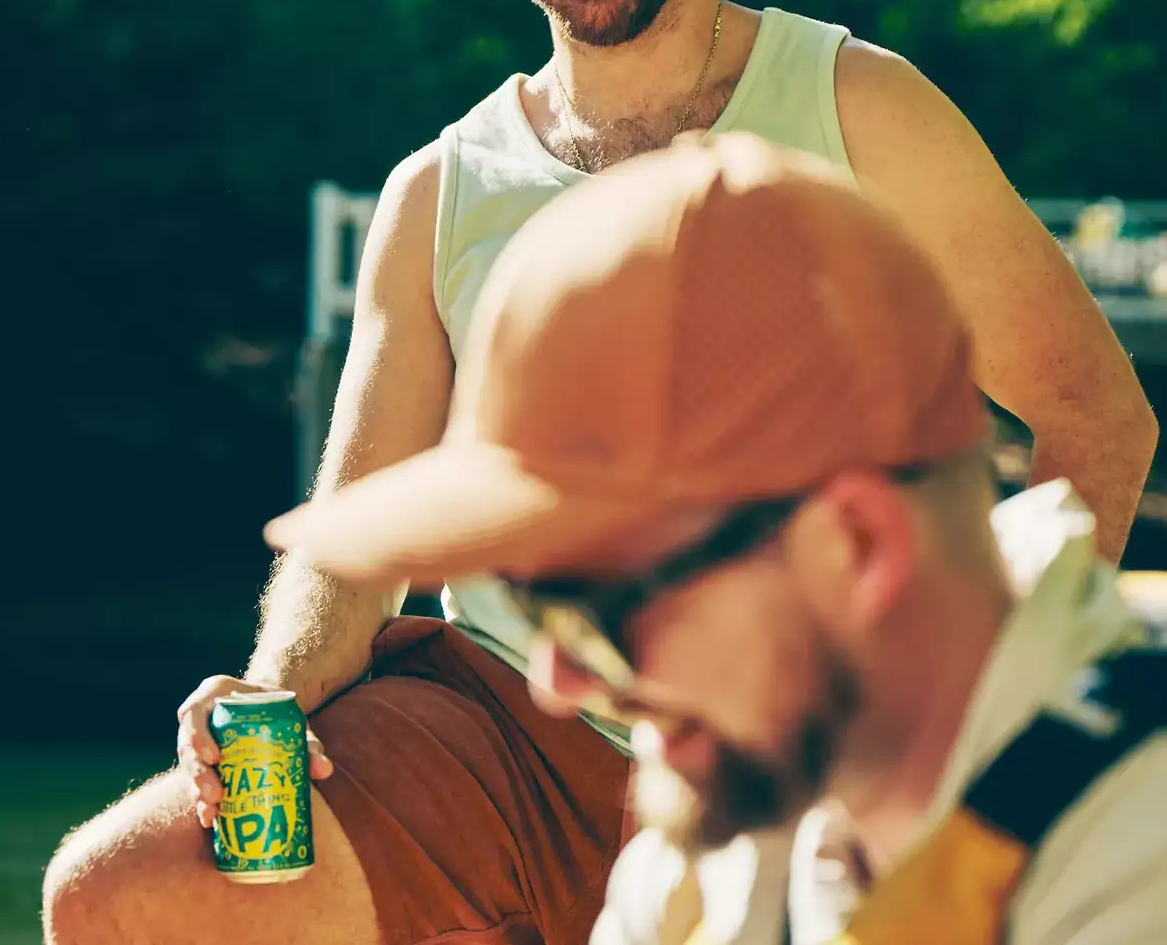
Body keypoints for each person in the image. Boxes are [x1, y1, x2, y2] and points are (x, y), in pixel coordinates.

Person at [43, 0, 1156, 940]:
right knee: (123, 891)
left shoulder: (862, 105)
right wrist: (268, 689)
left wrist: (987, 719)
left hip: (813, 709)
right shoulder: (437, 187)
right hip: (508, 736)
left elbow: (1093, 417)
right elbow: (357, 532)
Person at [266, 133, 1167, 945]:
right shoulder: (727, 838)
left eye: (595, 606)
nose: (559, 681)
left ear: (856, 546)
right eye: (531, 600)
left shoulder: (1137, 845)